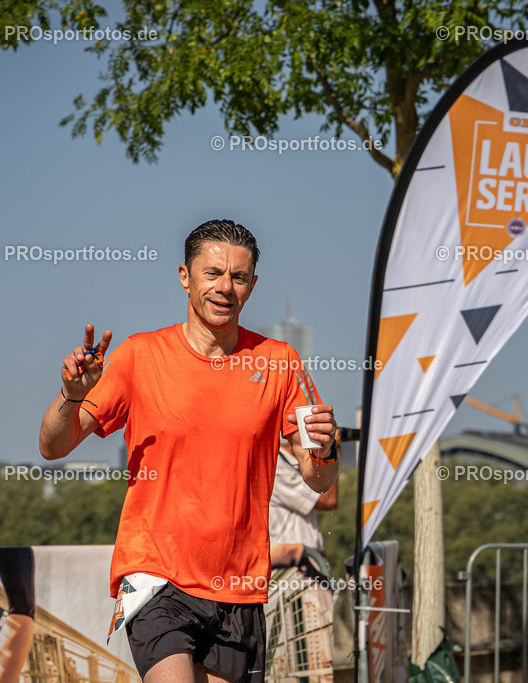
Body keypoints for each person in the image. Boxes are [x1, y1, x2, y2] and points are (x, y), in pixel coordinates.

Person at [39, 219, 339, 683]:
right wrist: (71, 395)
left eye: (238, 277)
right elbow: (53, 446)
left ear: (253, 285)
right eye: (212, 273)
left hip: (239, 585)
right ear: (185, 277)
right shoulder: (140, 355)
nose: (225, 287)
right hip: (158, 575)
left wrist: (326, 448)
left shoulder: (279, 362)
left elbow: (319, 479)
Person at [268, 436, 338, 570]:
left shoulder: (292, 464)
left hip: (306, 564)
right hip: (294, 568)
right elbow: (328, 500)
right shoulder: (277, 468)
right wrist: (330, 451)